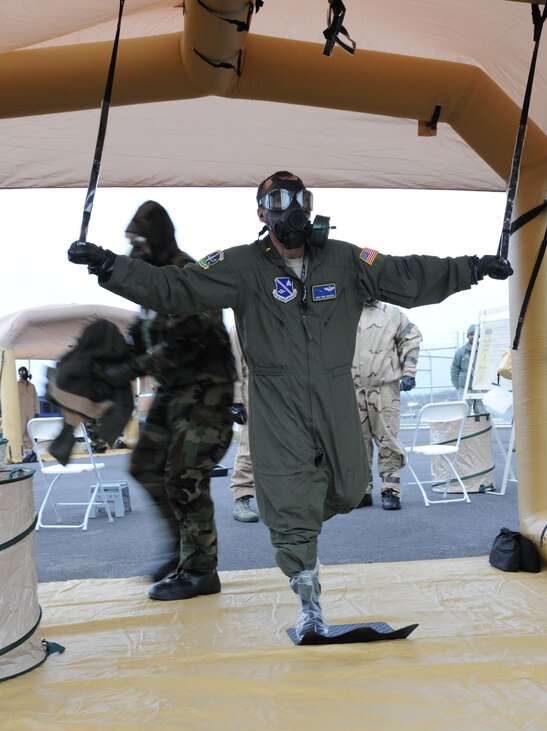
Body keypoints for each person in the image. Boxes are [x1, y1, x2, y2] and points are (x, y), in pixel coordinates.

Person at [68, 170, 513, 640]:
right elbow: (176, 288)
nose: (291, 209)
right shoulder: (239, 266)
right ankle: (307, 595)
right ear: (262, 213)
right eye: (278, 201)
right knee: (286, 494)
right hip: (275, 397)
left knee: (350, 486)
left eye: (299, 199)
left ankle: (301, 520)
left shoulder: (345, 260)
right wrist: (109, 265)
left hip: (335, 389)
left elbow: (407, 275)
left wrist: (475, 267)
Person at [98, 201, 236, 599]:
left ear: (158, 239)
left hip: (206, 395)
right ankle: (182, 550)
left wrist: (127, 370)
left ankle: (200, 571)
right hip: (175, 392)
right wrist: (115, 352)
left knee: (184, 475)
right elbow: (145, 333)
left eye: (140, 240)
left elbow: (182, 344)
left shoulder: (186, 277)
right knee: (144, 466)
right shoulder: (151, 281)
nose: (134, 248)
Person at [352, 300, 422, 511]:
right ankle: (362, 490)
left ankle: (390, 489)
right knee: (357, 441)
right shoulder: (347, 311)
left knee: (387, 439)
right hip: (352, 388)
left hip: (384, 388)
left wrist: (409, 372)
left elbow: (411, 338)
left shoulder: (392, 313)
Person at [229, 324, 260, 523]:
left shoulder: (281, 317)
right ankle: (242, 498)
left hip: (281, 392)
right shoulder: (241, 324)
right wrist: (235, 400)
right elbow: (233, 363)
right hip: (252, 392)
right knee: (249, 447)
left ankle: (280, 500)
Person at [451, 324, 486, 414]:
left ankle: (480, 427)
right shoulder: (461, 352)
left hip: (480, 387)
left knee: (481, 411)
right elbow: (454, 369)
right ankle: (465, 428)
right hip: (465, 387)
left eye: (475, 334)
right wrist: (458, 385)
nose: (473, 336)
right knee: (464, 412)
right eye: (471, 334)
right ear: (467, 336)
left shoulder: (483, 350)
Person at [17, 366, 40, 456]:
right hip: (20, 413)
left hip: (30, 413)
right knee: (20, 431)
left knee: (30, 432)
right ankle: (19, 452)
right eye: (22, 372)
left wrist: (37, 411)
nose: (24, 374)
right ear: (19, 374)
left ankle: (29, 452)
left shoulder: (32, 386)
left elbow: (36, 399)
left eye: (25, 372)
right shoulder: (16, 385)